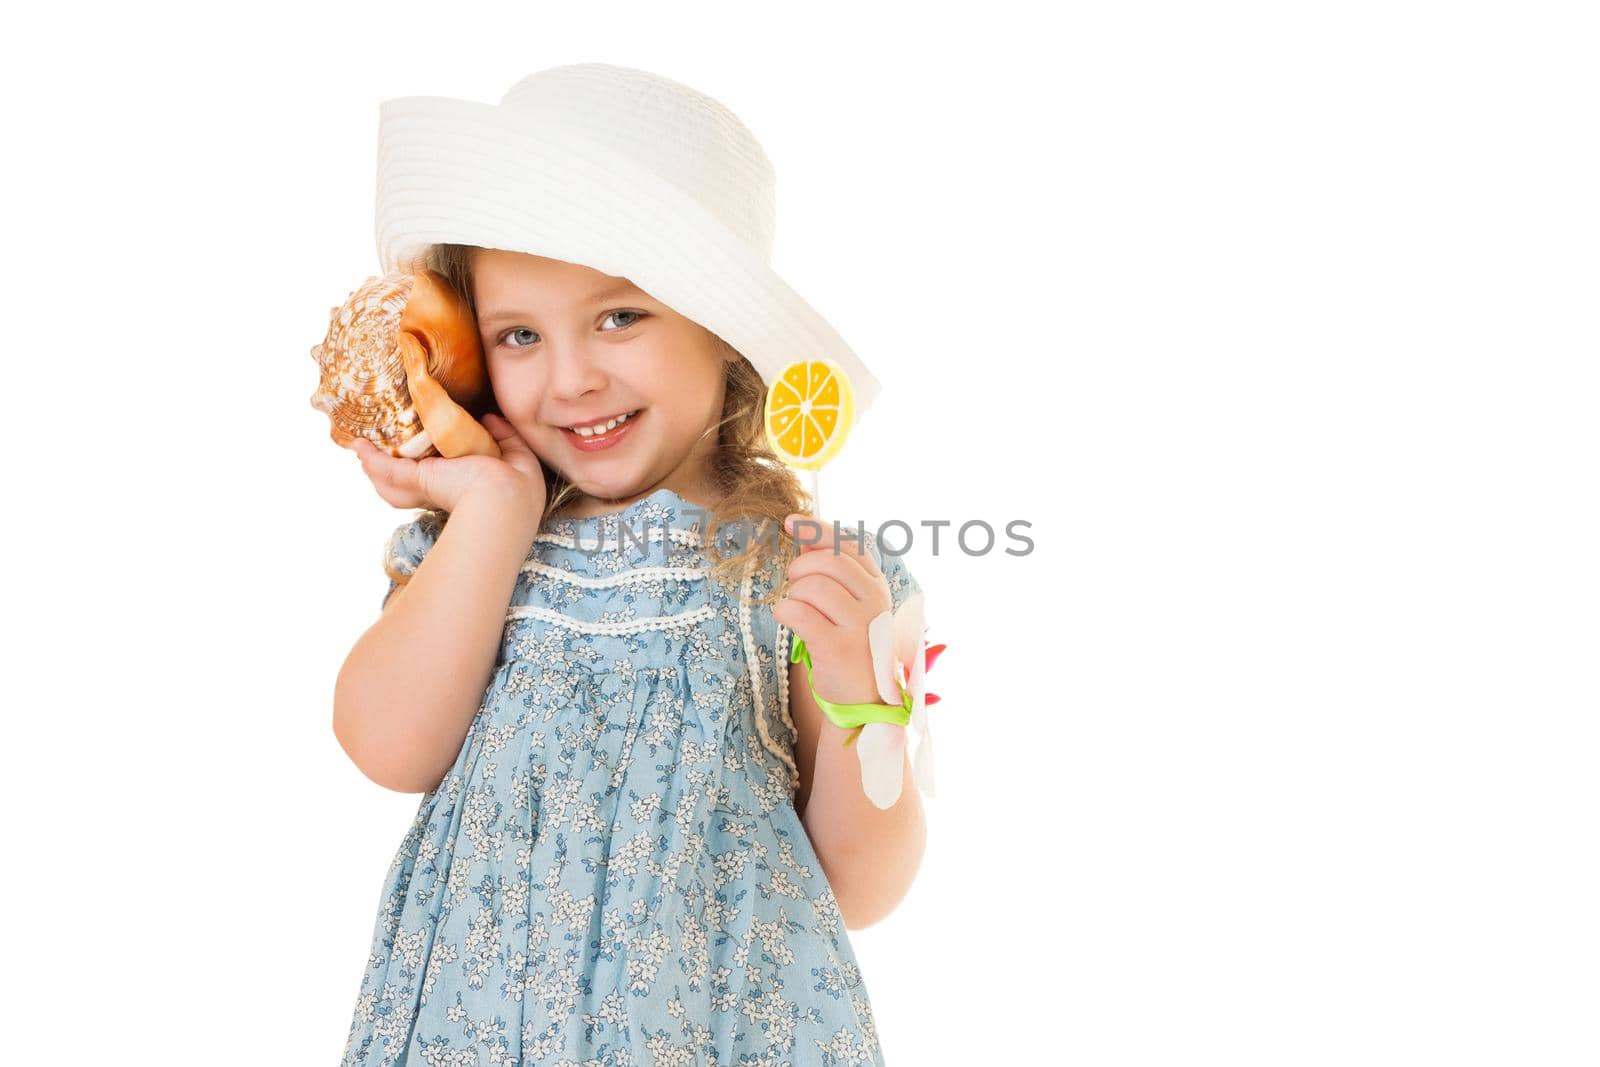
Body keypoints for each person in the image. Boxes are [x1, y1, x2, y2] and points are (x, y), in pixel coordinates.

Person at [332, 64, 934, 1066]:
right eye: (519, 334)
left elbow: (859, 890)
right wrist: (493, 506)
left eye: (620, 316)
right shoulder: (474, 550)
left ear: (726, 334)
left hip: (713, 1027)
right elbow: (387, 746)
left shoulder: (796, 574)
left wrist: (861, 699)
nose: (571, 376)